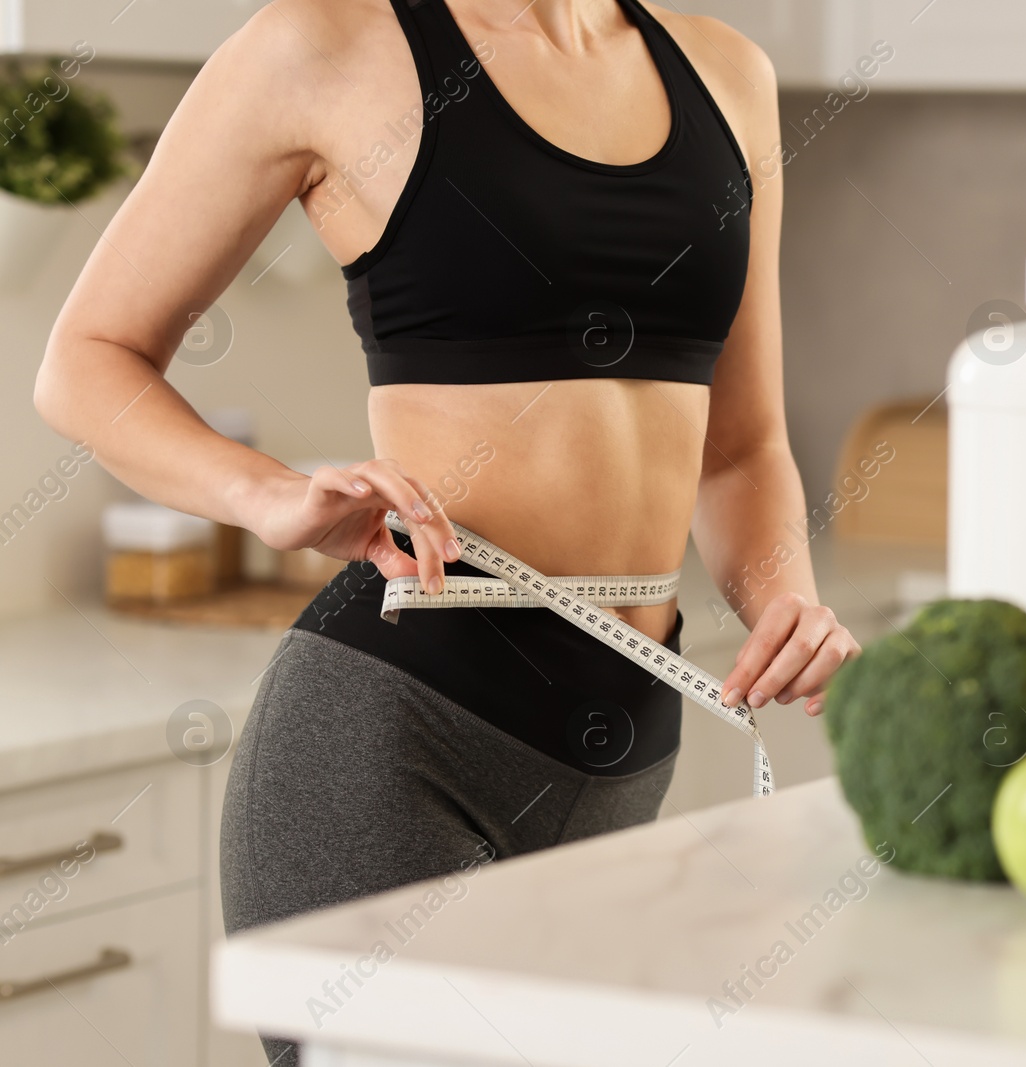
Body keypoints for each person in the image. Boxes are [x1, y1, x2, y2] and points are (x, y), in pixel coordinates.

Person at [34, 1, 858, 1061]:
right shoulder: (323, 45)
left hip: (627, 747)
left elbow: (742, 446)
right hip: (397, 733)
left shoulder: (727, 76)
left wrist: (782, 596)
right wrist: (266, 495)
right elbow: (88, 357)